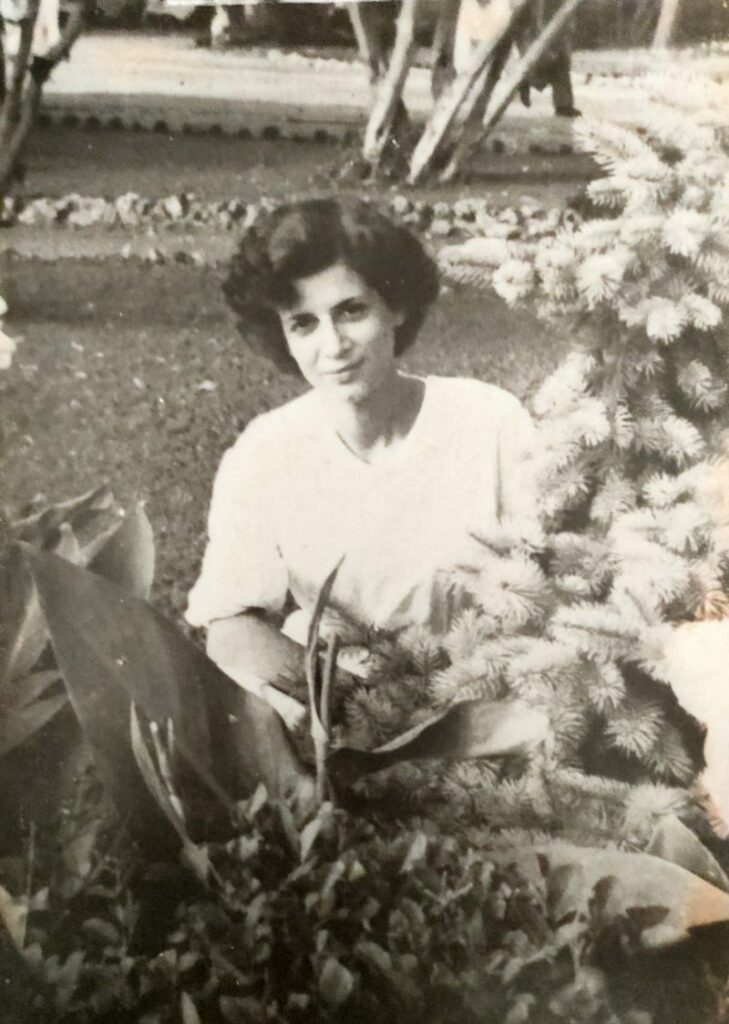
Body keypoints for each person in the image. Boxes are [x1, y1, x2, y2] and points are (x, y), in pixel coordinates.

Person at [186, 197, 538, 729]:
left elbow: (550, 583)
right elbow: (231, 626)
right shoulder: (265, 453)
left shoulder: (488, 420)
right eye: (303, 323)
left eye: (352, 311)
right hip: (349, 716)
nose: (333, 346)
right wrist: (360, 708)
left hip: (488, 699)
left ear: (396, 306)